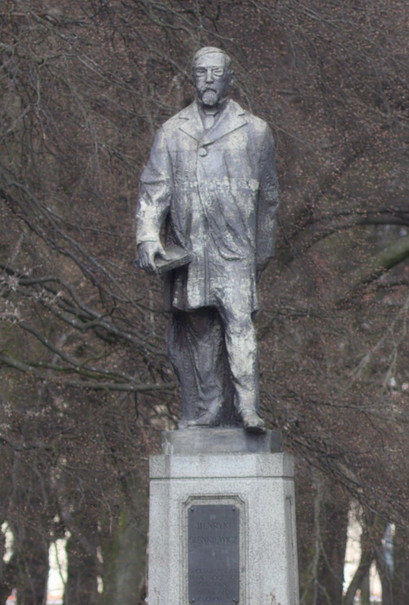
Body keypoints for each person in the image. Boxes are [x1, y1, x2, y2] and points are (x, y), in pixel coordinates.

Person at [136, 46, 278, 432]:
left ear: (230, 77)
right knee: (200, 329)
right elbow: (154, 191)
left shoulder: (255, 131)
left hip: (235, 249)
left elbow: (269, 198)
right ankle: (210, 406)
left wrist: (260, 253)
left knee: (239, 325)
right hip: (192, 249)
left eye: (216, 72)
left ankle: (248, 407)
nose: (209, 80)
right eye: (202, 73)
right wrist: (148, 238)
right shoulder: (171, 132)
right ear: (193, 78)